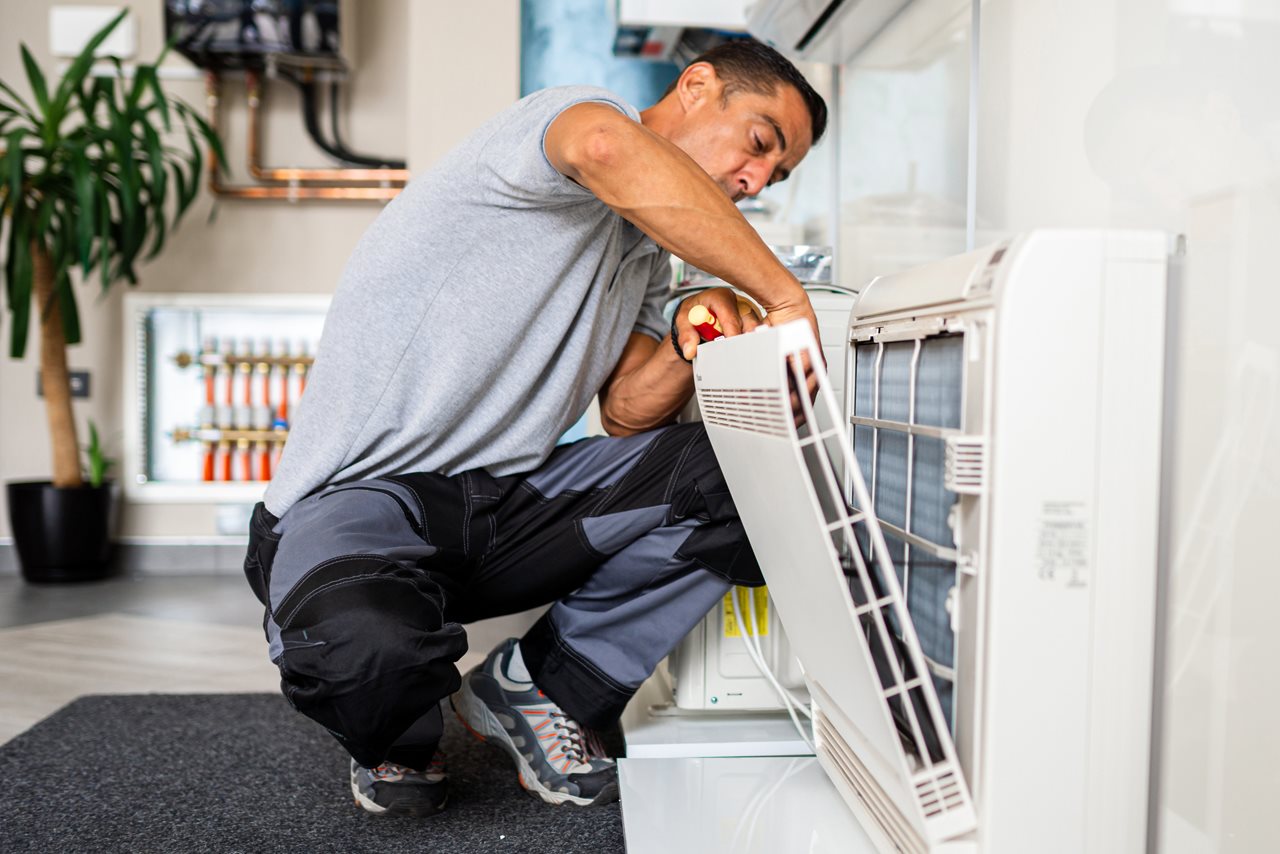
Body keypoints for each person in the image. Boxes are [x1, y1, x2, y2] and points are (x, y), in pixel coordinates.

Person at [241, 39, 827, 817]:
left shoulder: (647, 256)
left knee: (745, 475)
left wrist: (694, 329)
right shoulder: (570, 120)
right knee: (371, 659)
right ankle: (401, 735)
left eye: (775, 176)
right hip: (356, 512)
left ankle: (543, 684)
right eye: (759, 143)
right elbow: (604, 149)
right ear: (696, 86)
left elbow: (624, 412)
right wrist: (784, 299)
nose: (756, 181)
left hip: (501, 507)